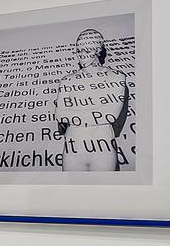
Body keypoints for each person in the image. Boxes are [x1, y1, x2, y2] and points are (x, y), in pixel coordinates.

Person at [52, 28, 131, 172]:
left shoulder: (117, 76)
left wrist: (75, 112)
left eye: (86, 50)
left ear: (98, 51)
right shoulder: (67, 80)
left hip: (103, 149)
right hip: (73, 148)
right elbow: (60, 114)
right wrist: (96, 111)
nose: (81, 56)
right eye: (78, 51)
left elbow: (111, 114)